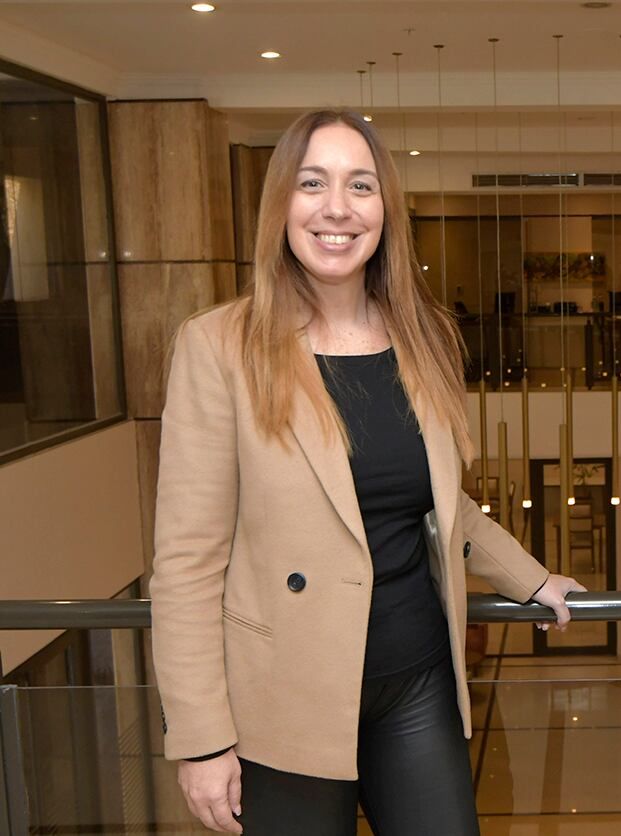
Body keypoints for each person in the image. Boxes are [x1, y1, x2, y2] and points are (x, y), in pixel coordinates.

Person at [150, 110, 584, 835]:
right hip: (285, 699)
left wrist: (530, 577)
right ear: (281, 204)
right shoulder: (217, 346)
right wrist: (200, 737)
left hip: (416, 682)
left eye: (361, 185)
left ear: (386, 210)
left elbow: (446, 506)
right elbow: (186, 562)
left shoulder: (426, 334)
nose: (337, 209)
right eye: (312, 183)